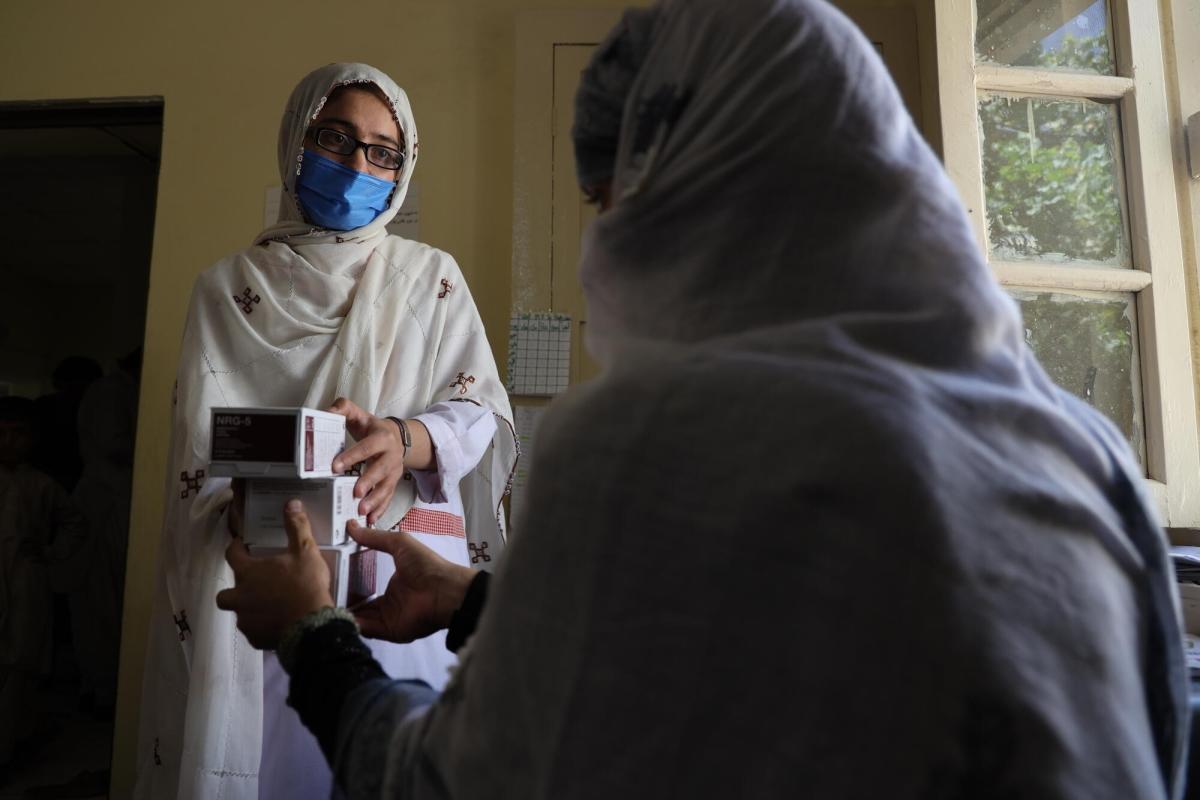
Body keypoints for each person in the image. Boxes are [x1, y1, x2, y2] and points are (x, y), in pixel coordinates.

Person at [217, 2, 1188, 798]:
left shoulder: (646, 447)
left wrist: (312, 633)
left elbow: (442, 782)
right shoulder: (1083, 450)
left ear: (689, 191)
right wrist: (482, 601)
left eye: (609, 203)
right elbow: (759, 656)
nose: (599, 249)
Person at [134, 63, 517, 800]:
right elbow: (199, 454)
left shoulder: (428, 277)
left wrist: (404, 439)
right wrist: (243, 505)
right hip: (267, 578)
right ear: (296, 140)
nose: (356, 166)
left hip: (402, 583)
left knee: (391, 756)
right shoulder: (226, 289)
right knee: (273, 762)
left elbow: (480, 411)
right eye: (334, 139)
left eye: (382, 152)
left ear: (403, 169)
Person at [0, 396, 87, 782]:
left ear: (32, 438)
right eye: (2, 433)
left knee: (22, 660)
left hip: (26, 578)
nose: (10, 442)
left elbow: (75, 523)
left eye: (18, 433)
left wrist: (50, 552)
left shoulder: (41, 484)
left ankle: (11, 747)